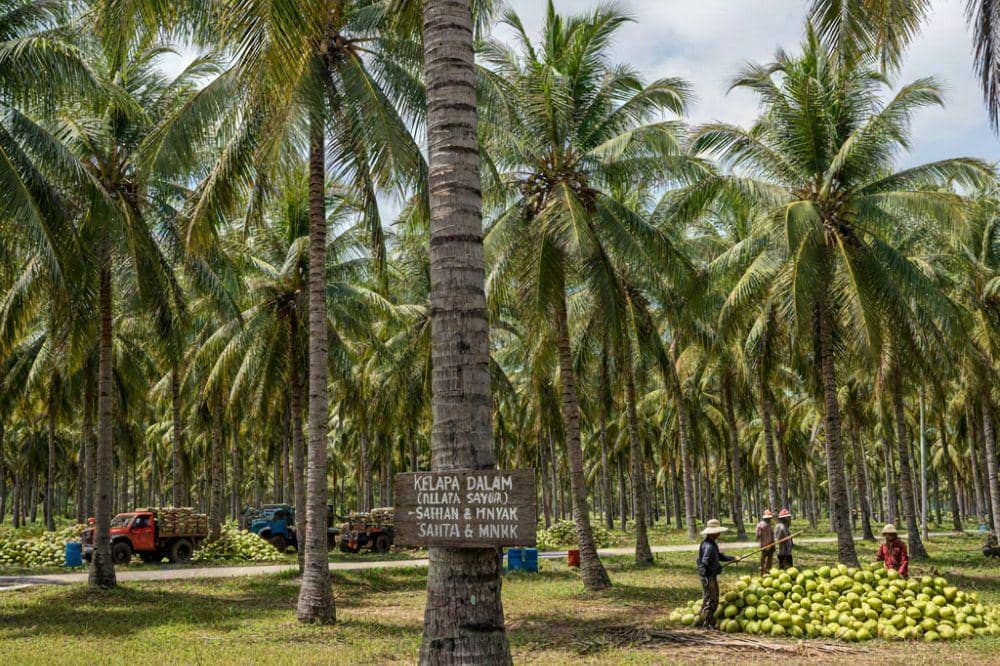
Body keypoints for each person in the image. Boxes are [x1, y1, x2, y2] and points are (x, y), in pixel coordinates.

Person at [695, 519, 736, 629]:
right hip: (708, 577)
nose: (719, 534)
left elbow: (719, 556)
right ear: (712, 533)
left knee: (709, 598)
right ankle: (707, 623)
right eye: (717, 532)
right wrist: (712, 571)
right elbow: (705, 561)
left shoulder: (710, 543)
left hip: (709, 576)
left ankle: (701, 621)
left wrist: (733, 558)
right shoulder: (709, 546)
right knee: (711, 600)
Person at [755, 509, 775, 575]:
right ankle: (763, 571)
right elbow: (758, 535)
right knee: (764, 559)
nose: (769, 519)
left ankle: (766, 571)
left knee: (767, 559)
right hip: (766, 545)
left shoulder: (766, 525)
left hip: (769, 545)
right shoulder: (762, 525)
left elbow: (757, 536)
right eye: (769, 518)